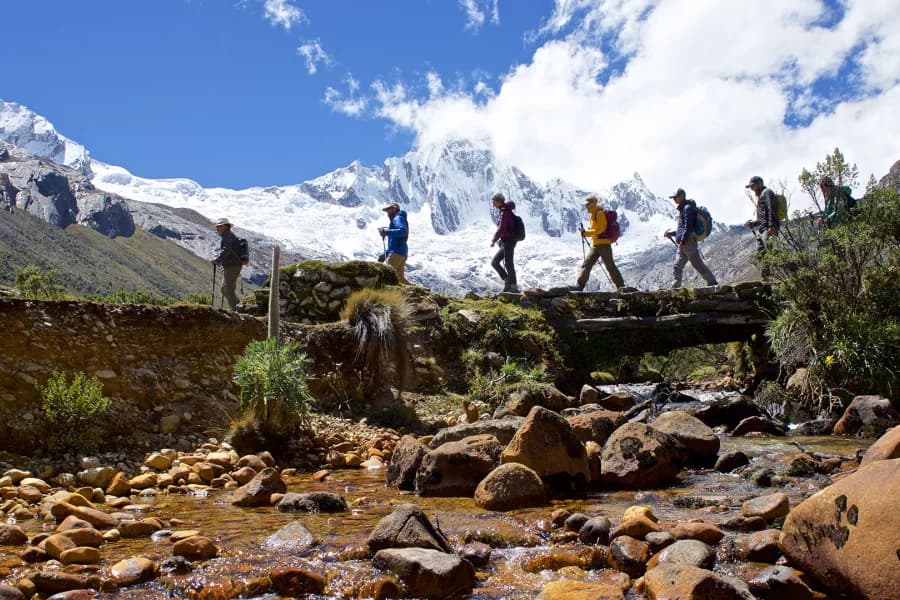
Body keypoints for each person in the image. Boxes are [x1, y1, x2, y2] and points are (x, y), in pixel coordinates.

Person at [664, 188, 718, 289]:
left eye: (676, 197)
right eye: (673, 197)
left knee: (697, 264)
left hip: (687, 243)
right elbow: (682, 229)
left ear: (682, 196)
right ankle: (675, 286)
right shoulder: (683, 209)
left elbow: (688, 227)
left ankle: (713, 283)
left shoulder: (687, 208)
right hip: (683, 243)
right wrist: (671, 234)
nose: (674, 199)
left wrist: (683, 241)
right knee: (677, 266)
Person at [575, 194, 625, 290]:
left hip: (603, 244)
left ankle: (621, 287)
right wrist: (587, 233)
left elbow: (602, 229)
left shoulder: (599, 213)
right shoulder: (593, 215)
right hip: (596, 244)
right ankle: (579, 286)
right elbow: (597, 230)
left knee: (610, 266)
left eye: (588, 204)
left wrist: (586, 233)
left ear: (593, 203)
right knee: (587, 264)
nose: (586, 206)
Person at [743, 175, 779, 275]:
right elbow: (763, 217)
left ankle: (794, 270)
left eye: (753, 186)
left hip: (769, 229)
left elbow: (771, 209)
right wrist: (753, 224)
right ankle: (766, 281)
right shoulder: (761, 196)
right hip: (763, 229)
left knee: (772, 252)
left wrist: (772, 226)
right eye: (751, 187)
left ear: (759, 184)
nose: (752, 189)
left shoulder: (767, 193)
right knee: (761, 255)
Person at [490, 192, 519, 293]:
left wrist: (494, 240)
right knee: (499, 262)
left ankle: (513, 287)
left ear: (499, 201)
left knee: (507, 263)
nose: (493, 204)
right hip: (508, 241)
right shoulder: (504, 211)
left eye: (494, 201)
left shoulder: (505, 212)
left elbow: (501, 228)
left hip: (509, 242)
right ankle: (508, 282)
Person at [211, 217, 242, 310]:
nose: (217, 228)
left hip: (232, 266)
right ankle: (240, 307)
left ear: (225, 226)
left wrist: (217, 260)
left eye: (220, 226)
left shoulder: (227, 235)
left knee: (227, 290)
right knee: (225, 290)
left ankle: (237, 310)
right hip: (232, 265)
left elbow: (226, 250)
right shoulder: (228, 235)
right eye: (217, 226)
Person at [379, 202, 409, 284]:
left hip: (396, 252)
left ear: (395, 208)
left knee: (386, 274)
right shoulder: (399, 218)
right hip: (401, 252)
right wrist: (385, 253)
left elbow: (403, 231)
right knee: (400, 279)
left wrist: (386, 231)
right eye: (387, 211)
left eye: (389, 209)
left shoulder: (397, 218)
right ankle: (420, 291)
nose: (388, 213)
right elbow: (394, 241)